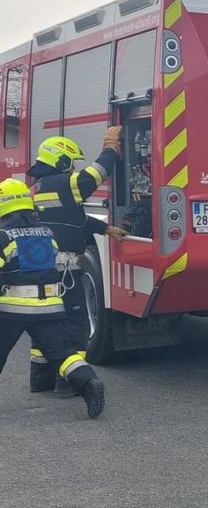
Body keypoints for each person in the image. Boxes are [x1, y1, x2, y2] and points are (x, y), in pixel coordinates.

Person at [27, 131, 125, 392]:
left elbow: (71, 221)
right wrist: (111, 148)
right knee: (75, 323)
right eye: (70, 162)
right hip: (65, 270)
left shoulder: (37, 188)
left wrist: (105, 229)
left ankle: (41, 380)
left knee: (47, 323)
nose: (72, 168)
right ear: (60, 162)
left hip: (45, 270)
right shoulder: (62, 182)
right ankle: (69, 383)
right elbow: (95, 174)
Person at [0, 179, 106, 418]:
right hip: (48, 308)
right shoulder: (48, 234)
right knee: (62, 353)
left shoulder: (3, 236)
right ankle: (89, 383)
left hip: (11, 310)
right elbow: (56, 265)